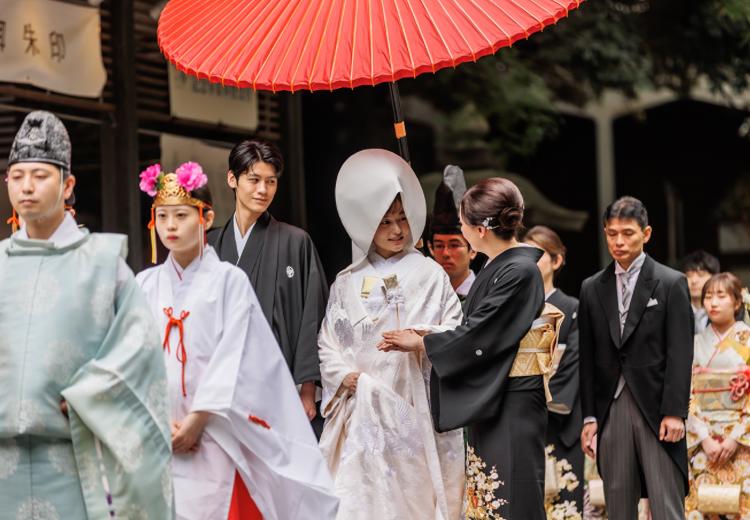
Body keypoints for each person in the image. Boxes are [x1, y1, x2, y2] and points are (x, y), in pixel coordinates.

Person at [136, 163, 338, 520]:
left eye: (181, 215)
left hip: (216, 429)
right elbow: (132, 358)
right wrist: (157, 415)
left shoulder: (229, 281)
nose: (170, 225)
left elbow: (239, 355)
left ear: (206, 216)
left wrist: (198, 417)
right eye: (162, 215)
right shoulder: (145, 285)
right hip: (158, 430)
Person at [0, 111, 173, 519]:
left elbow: (140, 349)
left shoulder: (101, 263)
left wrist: (91, 392)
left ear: (67, 184)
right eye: (17, 175)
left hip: (75, 458)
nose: (27, 186)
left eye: (40, 175)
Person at [380, 177, 563, 520]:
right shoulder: (499, 268)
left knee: (512, 500)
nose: (460, 228)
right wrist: (432, 332)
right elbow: (475, 328)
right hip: (496, 398)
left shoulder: (520, 270)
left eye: (462, 223)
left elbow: (483, 332)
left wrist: (423, 343)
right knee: (491, 497)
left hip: (514, 399)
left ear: (480, 229)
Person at [318, 149, 465, 519]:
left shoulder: (431, 274)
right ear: (367, 224)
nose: (398, 230)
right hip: (360, 406)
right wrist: (342, 376)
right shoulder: (346, 281)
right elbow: (327, 342)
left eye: (402, 218)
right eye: (385, 222)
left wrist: (422, 338)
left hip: (414, 403)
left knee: (412, 500)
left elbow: (455, 329)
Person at [578, 196, 693, 520]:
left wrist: (674, 412)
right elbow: (587, 358)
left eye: (628, 233)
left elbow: (680, 352)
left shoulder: (671, 283)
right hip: (610, 406)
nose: (618, 241)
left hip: (657, 408)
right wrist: (589, 418)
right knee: (617, 504)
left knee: (666, 502)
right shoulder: (591, 288)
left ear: (647, 233)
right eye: (612, 233)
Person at [208, 140, 328, 434]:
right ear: (232, 179)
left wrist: (308, 391)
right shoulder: (209, 245)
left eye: (271, 181)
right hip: (221, 386)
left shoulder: (295, 242)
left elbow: (312, 316)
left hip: (280, 386)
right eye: (254, 180)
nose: (263, 190)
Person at [524, 225, 583, 515]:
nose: (532, 261)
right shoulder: (515, 308)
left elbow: (574, 361)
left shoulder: (573, 308)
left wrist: (543, 400)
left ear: (557, 261)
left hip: (559, 419)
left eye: (540, 254)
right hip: (521, 414)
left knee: (566, 503)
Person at [686, 272, 750, 518]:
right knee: (703, 506)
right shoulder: (693, 343)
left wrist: (735, 437)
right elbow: (685, 393)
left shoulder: (747, 340)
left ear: (736, 302)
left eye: (721, 296)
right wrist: (703, 436)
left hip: (742, 444)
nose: (713, 303)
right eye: (708, 296)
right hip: (704, 443)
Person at [428, 165, 477, 301]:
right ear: (430, 248)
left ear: (473, 249)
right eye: (439, 245)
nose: (446, 253)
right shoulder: (424, 296)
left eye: (454, 245)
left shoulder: (487, 295)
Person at [679, 250, 721, 333]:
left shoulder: (725, 311)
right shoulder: (676, 311)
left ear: (715, 277)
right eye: (688, 275)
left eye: (701, 274)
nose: (694, 281)